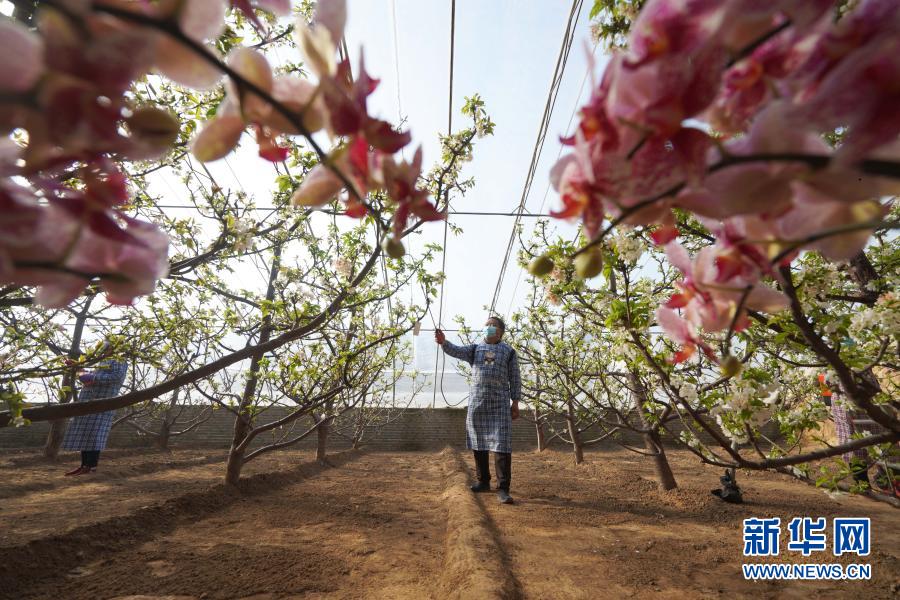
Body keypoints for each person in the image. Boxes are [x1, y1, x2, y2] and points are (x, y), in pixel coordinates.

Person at [435, 316, 521, 504]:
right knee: (479, 443)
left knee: (502, 446)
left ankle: (503, 489)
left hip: (499, 404)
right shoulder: (475, 349)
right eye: (487, 325)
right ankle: (483, 482)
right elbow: (455, 351)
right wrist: (443, 342)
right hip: (478, 404)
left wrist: (515, 403)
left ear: (500, 332)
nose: (489, 327)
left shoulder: (509, 352)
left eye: (493, 325)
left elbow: (515, 378)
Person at [62, 343, 128, 476]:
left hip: (101, 402)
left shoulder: (119, 360)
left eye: (106, 348)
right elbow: (87, 380)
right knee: (85, 433)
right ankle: (84, 465)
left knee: (94, 433)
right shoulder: (103, 362)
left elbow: (116, 377)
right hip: (88, 401)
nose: (103, 351)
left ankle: (91, 466)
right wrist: (79, 369)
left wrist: (93, 377)